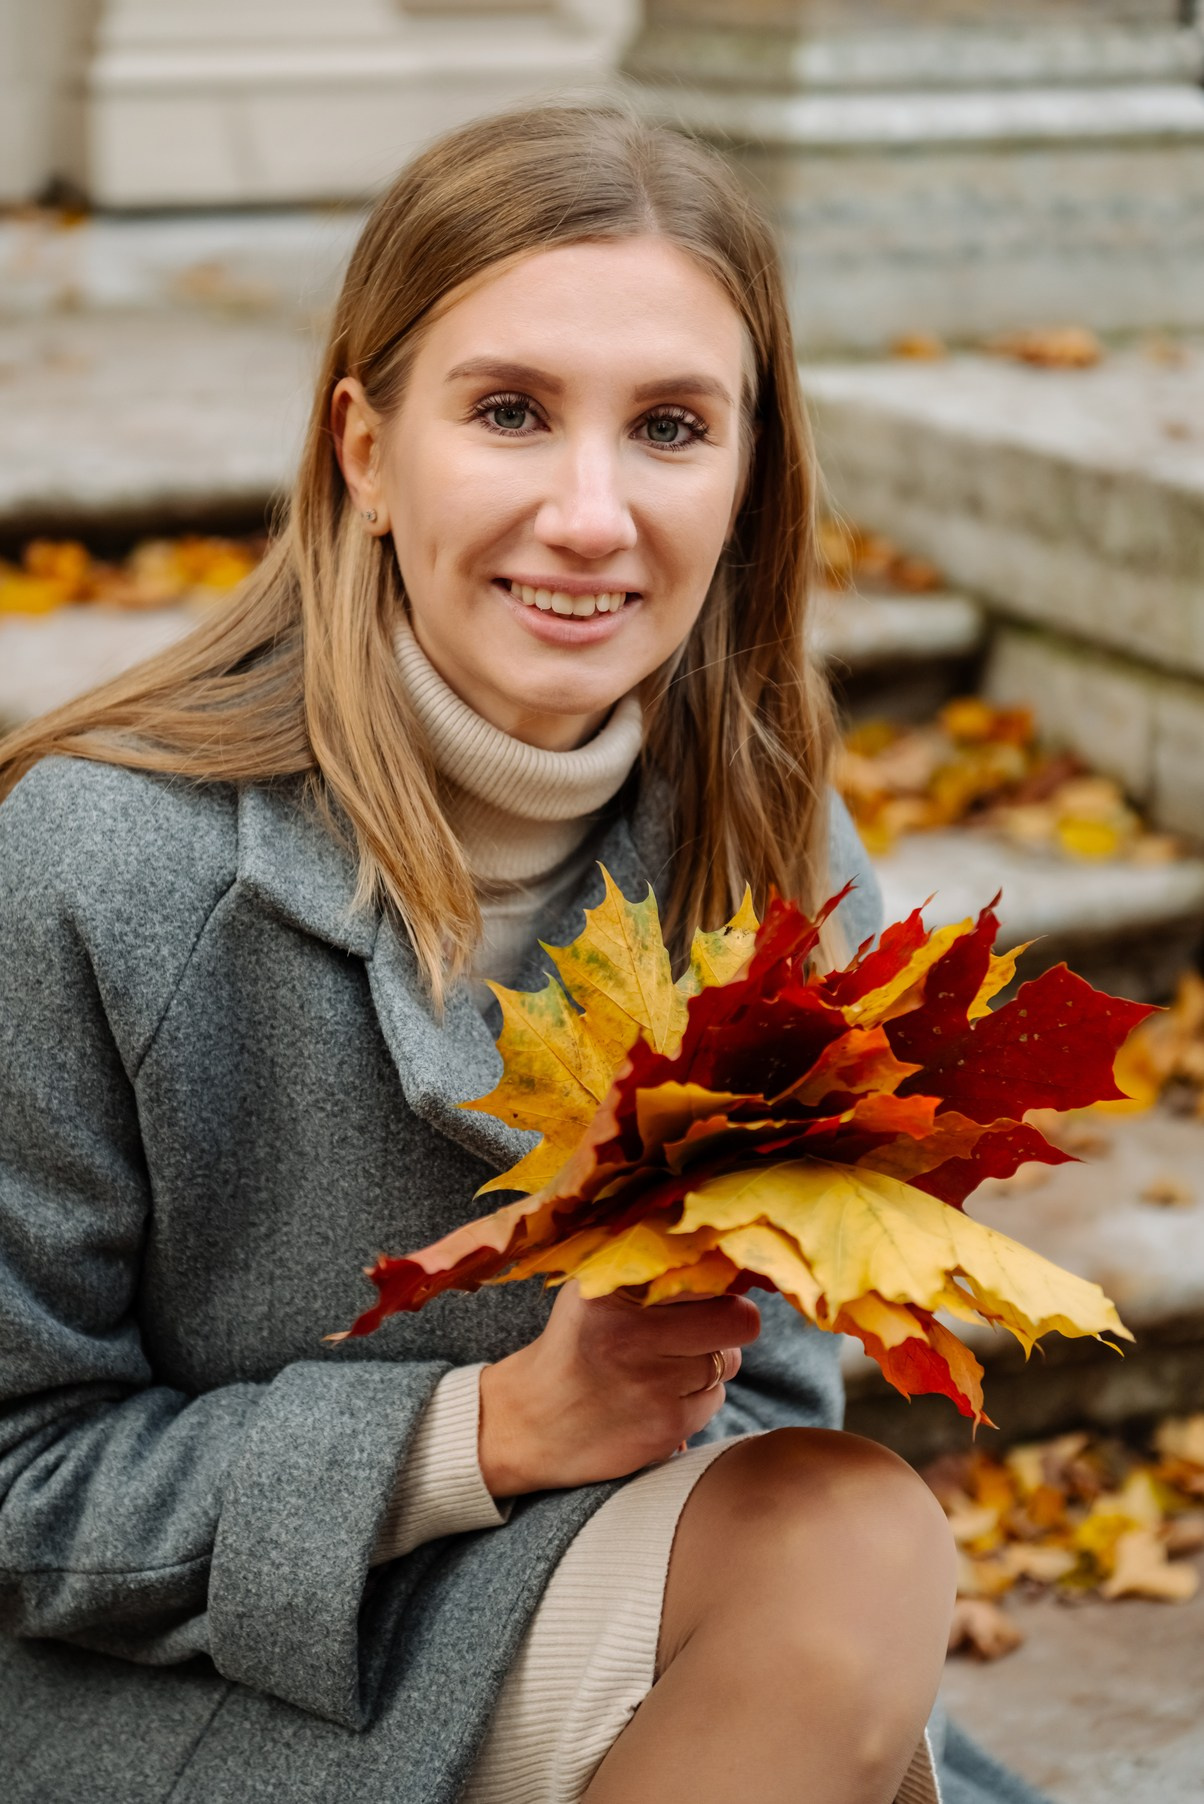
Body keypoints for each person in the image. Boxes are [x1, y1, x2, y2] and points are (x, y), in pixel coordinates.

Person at [0, 105, 1045, 1804]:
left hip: (602, 1626)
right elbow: (15, 1486)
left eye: (669, 428)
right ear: (364, 445)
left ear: (749, 472)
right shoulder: (98, 857)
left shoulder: (769, 852)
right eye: (508, 413)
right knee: (856, 1558)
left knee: (848, 1542)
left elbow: (773, 1419)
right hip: (178, 1684)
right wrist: (475, 1437)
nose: (590, 514)